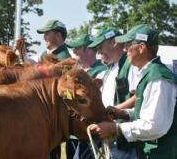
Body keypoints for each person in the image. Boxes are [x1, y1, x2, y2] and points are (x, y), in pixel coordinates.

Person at [89, 24, 177, 158]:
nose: (124, 49)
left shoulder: (157, 78)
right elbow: (148, 113)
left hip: (159, 153)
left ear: (141, 48)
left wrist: (115, 128)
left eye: (128, 45)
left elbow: (154, 125)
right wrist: (123, 113)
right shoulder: (151, 74)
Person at [87, 26, 138, 158]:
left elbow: (138, 97)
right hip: (111, 136)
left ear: (114, 42)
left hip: (123, 138)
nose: (98, 51)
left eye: (100, 46)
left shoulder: (129, 65)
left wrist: (112, 111)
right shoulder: (109, 70)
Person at [66, 34, 107, 159]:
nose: (73, 51)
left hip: (90, 131)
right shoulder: (75, 71)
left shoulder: (102, 71)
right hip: (74, 131)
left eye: (77, 48)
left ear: (89, 50)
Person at [37, 19, 71, 159]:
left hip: (53, 117)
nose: (44, 37)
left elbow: (68, 92)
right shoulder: (45, 56)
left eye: (47, 33)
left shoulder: (65, 59)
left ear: (58, 35)